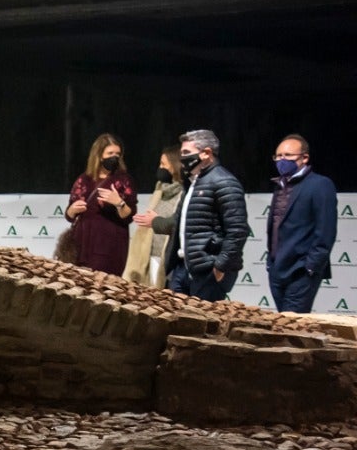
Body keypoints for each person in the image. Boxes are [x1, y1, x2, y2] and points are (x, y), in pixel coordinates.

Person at [136, 129, 248, 303]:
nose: (182, 159)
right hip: (182, 268)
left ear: (206, 153)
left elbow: (238, 230)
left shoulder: (224, 182)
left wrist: (220, 266)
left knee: (203, 325)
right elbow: (179, 222)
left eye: (187, 153)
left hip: (207, 270)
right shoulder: (192, 184)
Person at [265, 133, 337, 314]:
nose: (282, 160)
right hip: (277, 269)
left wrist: (311, 268)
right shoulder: (280, 186)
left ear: (304, 158)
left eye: (288, 156)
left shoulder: (320, 185)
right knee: (282, 323)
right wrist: (270, 263)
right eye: (278, 156)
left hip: (301, 271)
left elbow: (325, 231)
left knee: (293, 328)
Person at [65, 133, 138, 275]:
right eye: (110, 153)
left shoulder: (124, 180)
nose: (114, 157)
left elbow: (128, 216)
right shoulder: (84, 179)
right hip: (82, 244)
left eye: (117, 154)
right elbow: (69, 215)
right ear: (99, 156)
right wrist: (72, 210)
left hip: (110, 246)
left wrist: (119, 203)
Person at [124, 146, 184, 287]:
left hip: (170, 260)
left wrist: (158, 221)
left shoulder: (184, 194)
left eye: (164, 164)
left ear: (175, 166)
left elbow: (177, 223)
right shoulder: (159, 189)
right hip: (151, 255)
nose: (160, 168)